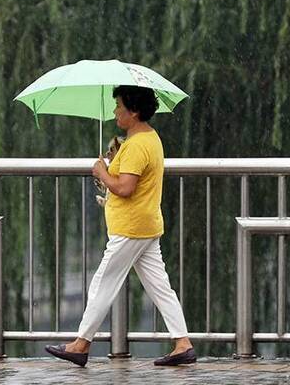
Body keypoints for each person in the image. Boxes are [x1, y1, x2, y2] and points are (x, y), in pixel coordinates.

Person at [45, 85, 195, 367]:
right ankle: (183, 343)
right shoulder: (149, 139)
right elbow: (130, 182)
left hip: (131, 229)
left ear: (134, 111)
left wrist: (103, 171)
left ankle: (81, 344)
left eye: (119, 107)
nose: (115, 112)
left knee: (103, 283)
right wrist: (112, 168)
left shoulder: (137, 145)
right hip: (146, 225)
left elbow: (125, 188)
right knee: (160, 287)